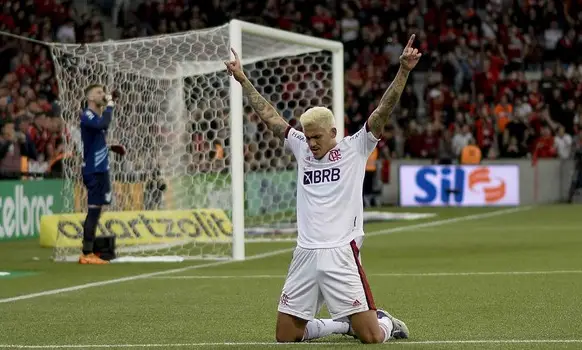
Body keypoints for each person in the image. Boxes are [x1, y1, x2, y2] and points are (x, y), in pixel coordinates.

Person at [224, 34, 421, 344]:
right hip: (305, 252)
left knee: (371, 337)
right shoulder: (301, 147)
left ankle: (383, 321)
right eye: (308, 136)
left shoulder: (356, 147)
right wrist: (242, 79)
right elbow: (271, 116)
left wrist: (404, 71)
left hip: (341, 251)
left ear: (333, 132)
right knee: (286, 336)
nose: (311, 143)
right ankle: (342, 326)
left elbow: (383, 110)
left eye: (317, 137)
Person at [78, 84, 125, 264]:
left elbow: (95, 141)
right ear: (90, 98)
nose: (103, 94)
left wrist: (110, 148)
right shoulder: (87, 114)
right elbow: (103, 124)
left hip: (101, 169)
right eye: (99, 92)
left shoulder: (95, 116)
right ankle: (86, 253)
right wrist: (111, 104)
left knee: (97, 211)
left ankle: (90, 250)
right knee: (94, 210)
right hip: (94, 170)